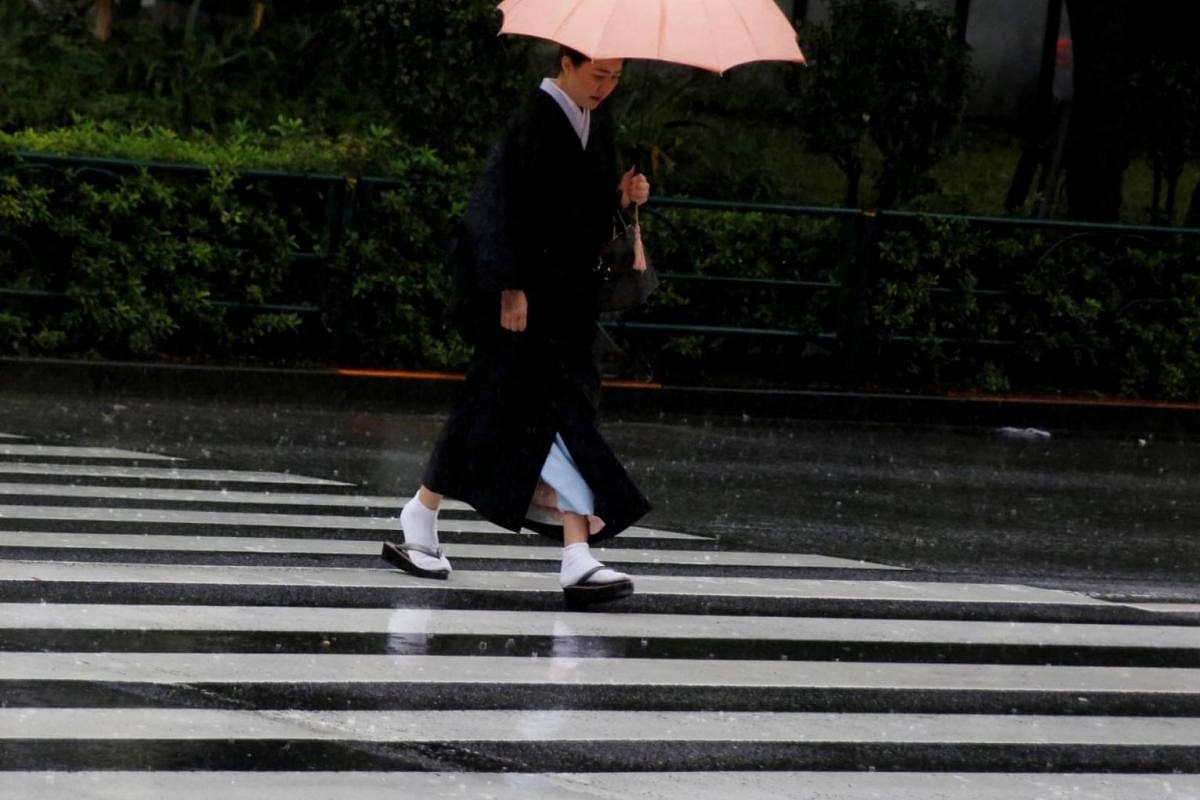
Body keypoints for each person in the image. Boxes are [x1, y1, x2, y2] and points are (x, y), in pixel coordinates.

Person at [380, 46, 652, 608]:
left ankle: (434, 513)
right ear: (567, 64)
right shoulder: (534, 118)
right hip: (524, 295)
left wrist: (623, 198)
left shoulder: (596, 123)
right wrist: (507, 284)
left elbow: (587, 213)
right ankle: (569, 552)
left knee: (541, 408)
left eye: (616, 77)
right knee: (521, 407)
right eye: (598, 74)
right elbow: (497, 207)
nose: (606, 87)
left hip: (570, 299)